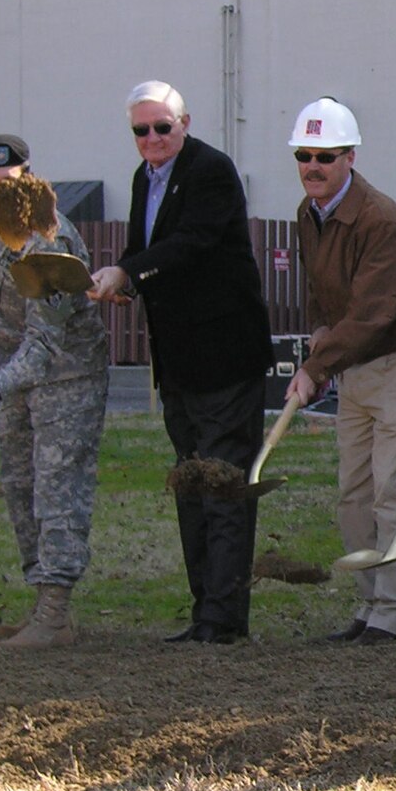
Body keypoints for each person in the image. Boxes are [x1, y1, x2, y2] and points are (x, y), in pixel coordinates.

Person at [89, 81, 272, 645]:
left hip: (224, 357)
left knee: (222, 485)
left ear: (184, 123)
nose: (151, 139)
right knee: (190, 485)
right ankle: (205, 612)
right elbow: (147, 247)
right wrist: (124, 275)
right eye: (140, 130)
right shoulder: (145, 178)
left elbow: (192, 242)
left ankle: (223, 619)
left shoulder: (212, 171)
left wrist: (132, 273)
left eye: (161, 127)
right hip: (177, 362)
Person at [284, 97, 396, 646]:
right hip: (355, 364)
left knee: (392, 493)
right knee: (353, 495)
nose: (314, 165)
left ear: (349, 158)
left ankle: (394, 616)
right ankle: (371, 604)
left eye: (325, 156)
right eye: (304, 155)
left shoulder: (381, 220)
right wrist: (319, 336)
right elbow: (321, 291)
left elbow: (375, 311)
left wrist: (315, 367)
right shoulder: (308, 215)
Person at [0, 136, 110, 648]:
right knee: (20, 486)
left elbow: (45, 344)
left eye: (7, 183)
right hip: (14, 372)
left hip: (66, 377)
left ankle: (55, 609)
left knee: (56, 491)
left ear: (30, 181)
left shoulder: (51, 245)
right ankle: (41, 605)